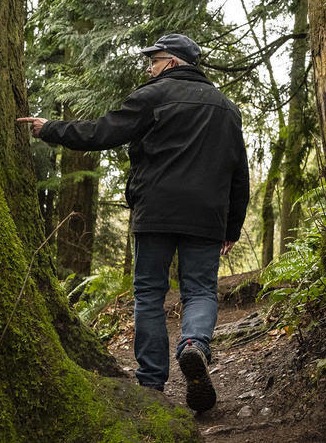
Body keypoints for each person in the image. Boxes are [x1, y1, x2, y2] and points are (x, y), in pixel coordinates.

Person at [18, 33, 249, 412]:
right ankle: (193, 345)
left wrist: (50, 128)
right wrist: (232, 227)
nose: (148, 67)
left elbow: (102, 132)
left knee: (149, 295)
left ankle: (151, 384)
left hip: (155, 211)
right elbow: (239, 174)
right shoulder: (226, 108)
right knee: (201, 292)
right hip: (207, 217)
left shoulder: (153, 96)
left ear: (172, 63)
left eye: (154, 60)